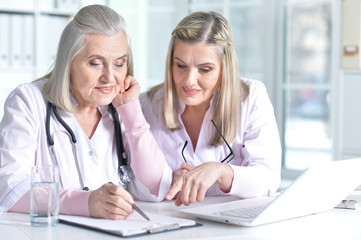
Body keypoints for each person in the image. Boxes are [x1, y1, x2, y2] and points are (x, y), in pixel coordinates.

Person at [0, 5, 171, 219]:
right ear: (69, 62)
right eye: (95, 63)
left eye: (119, 64)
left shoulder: (120, 110)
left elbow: (157, 188)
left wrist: (132, 113)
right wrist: (86, 203)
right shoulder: (28, 101)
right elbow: (10, 189)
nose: (109, 77)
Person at [140, 11, 281, 207]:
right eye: (181, 66)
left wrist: (221, 172)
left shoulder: (251, 97)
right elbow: (130, 180)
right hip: (170, 219)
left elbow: (268, 178)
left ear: (225, 68)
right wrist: (165, 181)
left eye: (205, 69)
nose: (189, 80)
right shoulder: (147, 104)